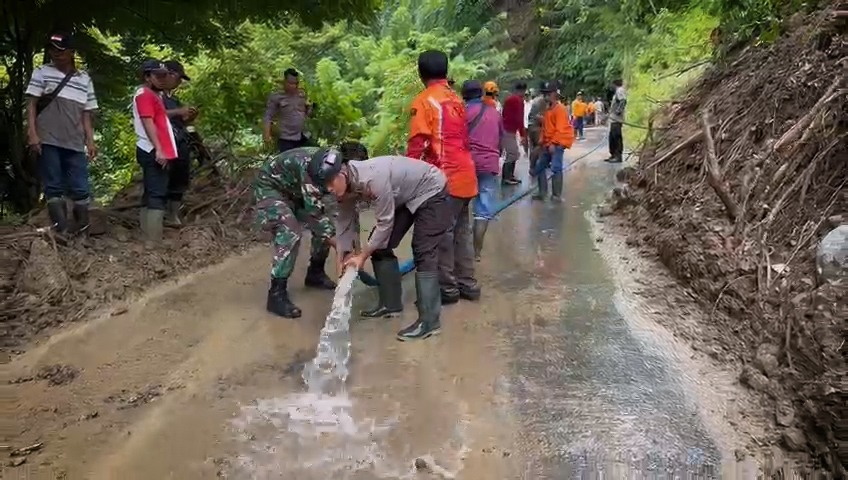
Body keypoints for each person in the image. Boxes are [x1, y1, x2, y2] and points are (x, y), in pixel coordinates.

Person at [310, 153, 454, 341]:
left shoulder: (372, 178)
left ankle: (429, 321)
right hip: (406, 195)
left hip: (432, 190)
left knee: (423, 249)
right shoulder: (345, 186)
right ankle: (391, 304)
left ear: (342, 172)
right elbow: (345, 223)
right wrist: (342, 258)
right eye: (325, 185)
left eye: (331, 182)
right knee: (379, 245)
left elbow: (385, 222)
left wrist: (362, 257)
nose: (329, 188)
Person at [253, 144, 367, 318]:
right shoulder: (316, 168)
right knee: (290, 230)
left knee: (327, 226)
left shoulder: (337, 170)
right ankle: (276, 293)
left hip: (296, 190)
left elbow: (347, 214)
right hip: (271, 189)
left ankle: (315, 273)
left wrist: (354, 248)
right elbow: (314, 216)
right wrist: (341, 247)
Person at [408, 50, 480, 304]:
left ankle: (448, 290)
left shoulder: (424, 101)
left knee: (441, 236)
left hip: (444, 179)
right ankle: (468, 285)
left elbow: (418, 144)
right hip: (467, 175)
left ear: (421, 73)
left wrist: (409, 182)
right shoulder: (456, 99)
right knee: (462, 233)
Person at [26, 32, 98, 235]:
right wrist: (32, 133)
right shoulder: (41, 72)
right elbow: (31, 104)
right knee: (53, 185)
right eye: (52, 50)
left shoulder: (84, 78)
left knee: (80, 187)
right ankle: (62, 230)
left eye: (60, 50)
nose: (55, 54)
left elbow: (87, 113)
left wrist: (90, 141)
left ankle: (83, 232)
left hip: (75, 140)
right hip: (48, 137)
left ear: (72, 52)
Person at [132, 59, 179, 243]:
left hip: (155, 149)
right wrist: (159, 149)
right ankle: (153, 241)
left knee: (152, 191)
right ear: (147, 77)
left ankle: (148, 236)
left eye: (164, 75)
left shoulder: (154, 95)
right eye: (157, 76)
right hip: (151, 149)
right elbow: (147, 121)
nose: (162, 79)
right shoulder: (144, 95)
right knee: (157, 193)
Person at [461, 80, 502, 262]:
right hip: (489, 164)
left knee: (461, 206)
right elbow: (500, 140)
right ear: (481, 94)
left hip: (466, 164)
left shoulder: (462, 113)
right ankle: (477, 253)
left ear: (464, 96)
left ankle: (460, 252)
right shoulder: (494, 113)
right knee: (482, 210)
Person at [162, 60, 197, 226]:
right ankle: (158, 214)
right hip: (164, 141)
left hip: (179, 139)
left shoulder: (173, 99)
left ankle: (173, 214)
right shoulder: (154, 96)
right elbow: (154, 115)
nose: (178, 82)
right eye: (177, 77)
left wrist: (188, 116)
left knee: (180, 177)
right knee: (162, 178)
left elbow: (179, 119)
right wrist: (178, 111)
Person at [534, 81, 575, 201]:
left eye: (548, 94)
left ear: (553, 94)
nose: (545, 97)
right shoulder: (548, 109)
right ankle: (542, 192)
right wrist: (541, 142)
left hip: (558, 142)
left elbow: (560, 129)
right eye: (544, 94)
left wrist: (553, 143)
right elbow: (546, 127)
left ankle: (556, 195)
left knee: (556, 167)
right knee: (540, 166)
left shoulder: (560, 109)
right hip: (549, 143)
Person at [263, 68, 314, 153]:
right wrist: (267, 136)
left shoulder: (302, 95)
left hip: (302, 135)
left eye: (295, 83)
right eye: (290, 83)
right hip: (286, 138)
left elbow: (306, 114)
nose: (293, 86)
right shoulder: (277, 97)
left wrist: (309, 108)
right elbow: (268, 116)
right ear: (284, 82)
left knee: (316, 155)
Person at [500, 82, 527, 186]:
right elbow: (519, 118)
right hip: (509, 130)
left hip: (507, 129)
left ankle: (510, 175)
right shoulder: (518, 100)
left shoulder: (509, 99)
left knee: (514, 153)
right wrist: (523, 134)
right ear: (522, 91)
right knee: (512, 154)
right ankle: (506, 177)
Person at [526, 83, 549, 177]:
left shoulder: (537, 100)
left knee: (534, 147)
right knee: (539, 146)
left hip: (531, 126)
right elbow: (540, 116)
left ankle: (533, 166)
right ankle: (534, 168)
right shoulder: (542, 101)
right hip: (536, 126)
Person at [606, 80, 627, 163]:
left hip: (617, 119)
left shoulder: (620, 90)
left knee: (616, 137)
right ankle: (613, 154)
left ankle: (618, 156)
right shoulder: (617, 92)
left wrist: (618, 111)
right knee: (612, 137)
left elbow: (623, 100)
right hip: (613, 119)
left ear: (615, 84)